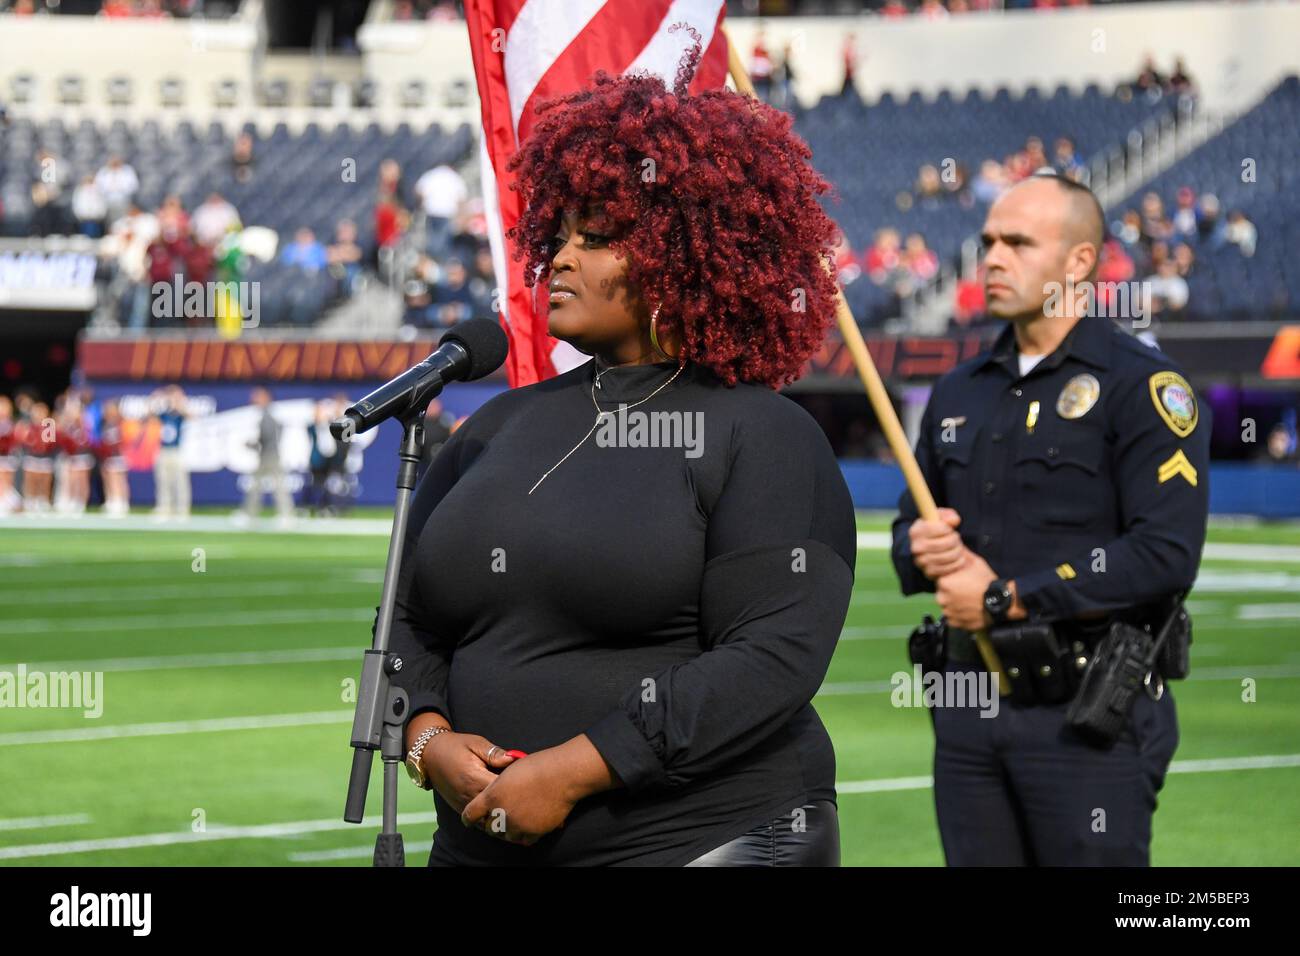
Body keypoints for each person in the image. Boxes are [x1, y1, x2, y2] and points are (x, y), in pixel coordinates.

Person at [386, 44, 856, 867]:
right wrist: (428, 740)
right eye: (557, 234)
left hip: (705, 841)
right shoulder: (496, 427)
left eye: (595, 238)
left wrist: (576, 771)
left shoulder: (764, 433)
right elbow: (408, 623)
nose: (558, 257)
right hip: (478, 843)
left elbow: (771, 659)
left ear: (684, 254)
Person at [890, 173, 1210, 866]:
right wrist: (919, 546)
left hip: (1087, 717)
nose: (993, 259)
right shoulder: (958, 390)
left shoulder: (1142, 386)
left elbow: (1164, 554)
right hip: (967, 711)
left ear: (1079, 263)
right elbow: (905, 542)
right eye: (988, 242)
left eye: (1018, 243)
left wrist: (1006, 598)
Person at [238, 386, 294, 524]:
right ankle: (252, 514)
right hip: (268, 454)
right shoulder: (266, 413)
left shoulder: (268, 414)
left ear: (265, 397)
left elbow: (267, 437)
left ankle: (285, 515)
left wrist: (253, 445)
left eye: (258, 395)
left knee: (275, 486)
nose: (254, 398)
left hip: (270, 455)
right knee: (260, 486)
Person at [151, 385, 191, 520]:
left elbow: (191, 415)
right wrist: (155, 399)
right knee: (163, 481)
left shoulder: (179, 414)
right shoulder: (164, 414)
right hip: (163, 451)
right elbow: (149, 414)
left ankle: (182, 510)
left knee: (180, 481)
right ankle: (164, 508)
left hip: (176, 451)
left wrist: (178, 400)